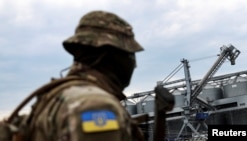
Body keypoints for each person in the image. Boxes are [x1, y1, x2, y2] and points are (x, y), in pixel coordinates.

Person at [0, 10, 146, 141]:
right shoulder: (95, 105)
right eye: (129, 54)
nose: (134, 63)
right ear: (110, 54)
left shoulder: (55, 97)